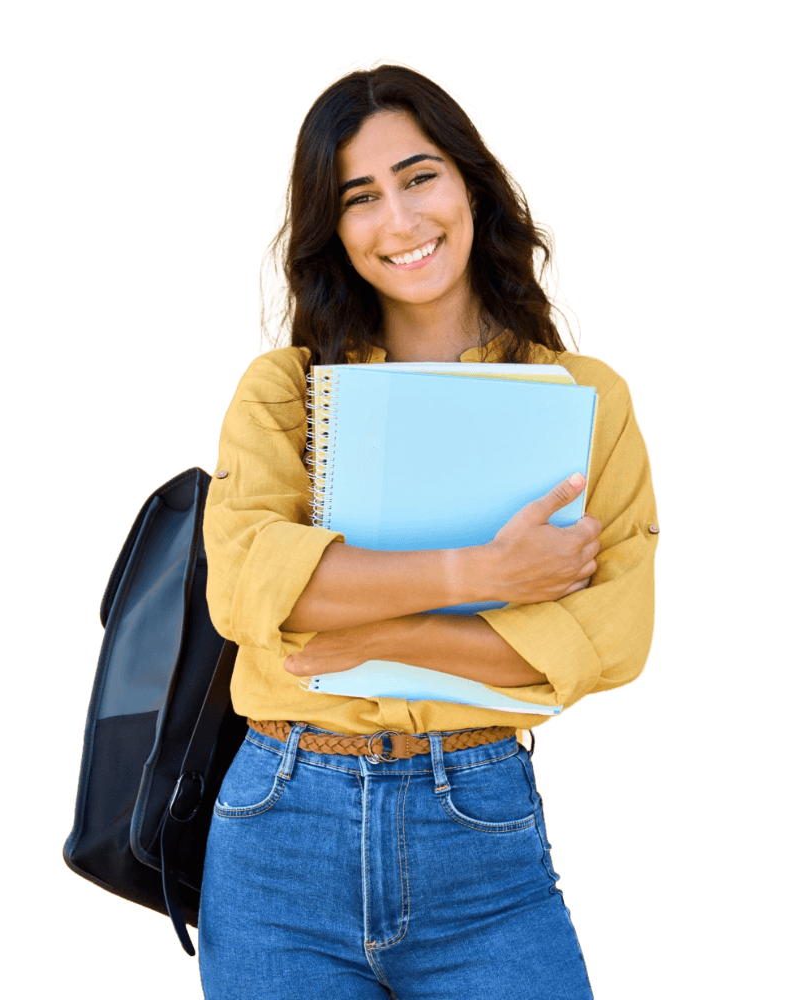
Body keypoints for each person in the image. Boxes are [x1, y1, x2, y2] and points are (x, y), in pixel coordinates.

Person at [196, 58, 658, 999]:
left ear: (470, 183)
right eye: (360, 197)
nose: (400, 222)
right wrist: (484, 573)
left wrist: (378, 630)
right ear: (335, 231)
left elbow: (610, 641)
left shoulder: (588, 397)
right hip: (280, 829)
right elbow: (248, 593)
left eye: (419, 177)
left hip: (481, 833)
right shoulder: (283, 393)